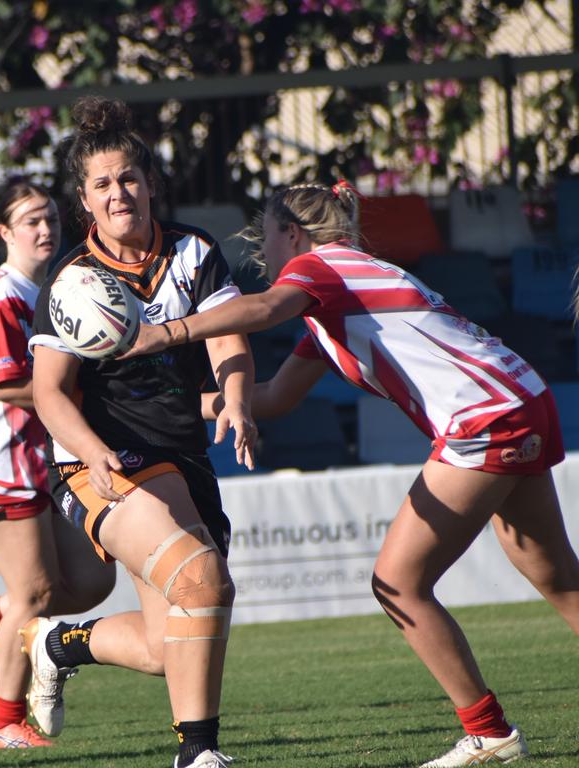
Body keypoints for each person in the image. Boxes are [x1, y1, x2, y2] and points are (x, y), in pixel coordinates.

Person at [126, 181, 579, 767]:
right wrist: (175, 404)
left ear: (291, 233)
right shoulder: (339, 295)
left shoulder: (323, 269)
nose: (263, 248)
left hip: (485, 418)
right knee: (556, 575)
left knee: (399, 584)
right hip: (519, 397)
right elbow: (275, 397)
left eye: (266, 234)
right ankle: (489, 732)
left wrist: (165, 333)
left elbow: (262, 310)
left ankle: (489, 732)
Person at [24, 97, 257, 768]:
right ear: (84, 204)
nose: (119, 191)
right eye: (102, 184)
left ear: (151, 183)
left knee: (171, 643)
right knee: (203, 581)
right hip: (96, 461)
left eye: (129, 177)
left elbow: (229, 338)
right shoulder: (72, 280)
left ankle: (57, 646)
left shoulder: (192, 251)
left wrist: (236, 398)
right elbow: (47, 392)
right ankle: (199, 755)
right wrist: (93, 451)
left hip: (180, 456)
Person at [0, 180, 117, 749]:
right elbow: (6, 384)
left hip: (33, 455)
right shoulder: (0, 295)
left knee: (92, 579)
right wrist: (83, 395)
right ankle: (3, 722)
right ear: (4, 233)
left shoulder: (48, 293)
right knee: (35, 593)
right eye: (30, 221)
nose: (45, 230)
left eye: (49, 220)